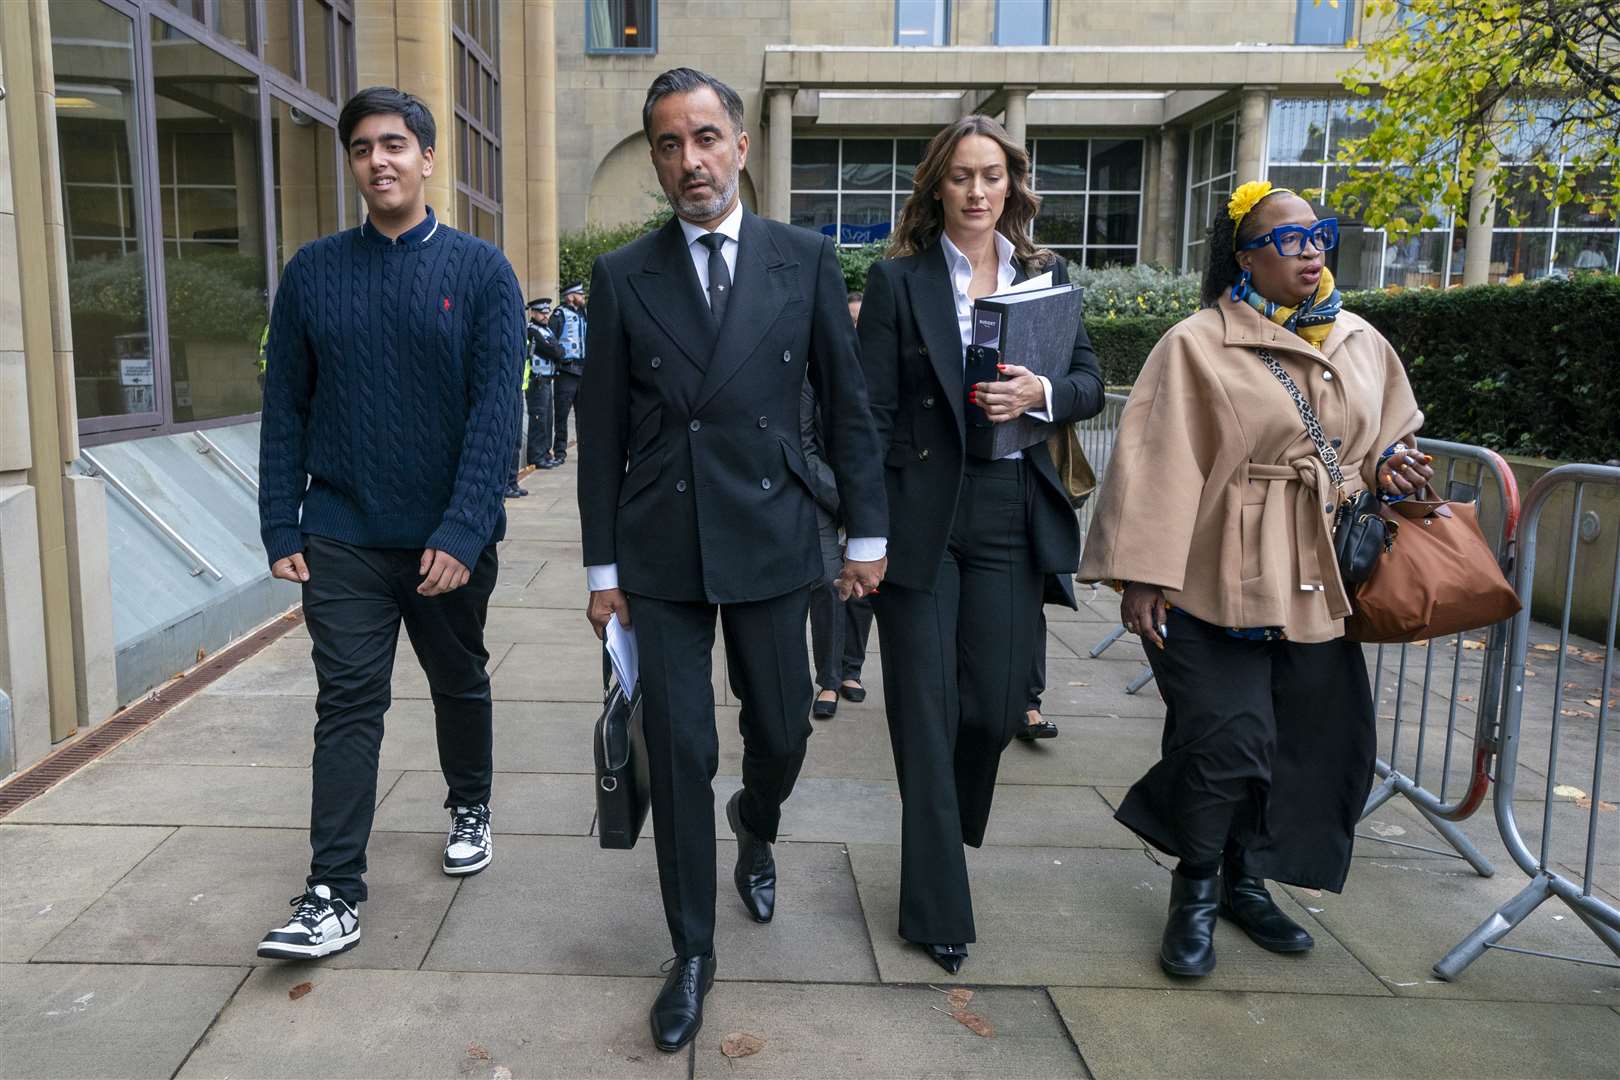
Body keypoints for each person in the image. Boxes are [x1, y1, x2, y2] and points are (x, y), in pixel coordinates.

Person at [576, 67, 888, 1052]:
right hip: (658, 546)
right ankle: (693, 951)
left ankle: (758, 821)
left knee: (784, 733)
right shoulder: (626, 275)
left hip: (771, 533)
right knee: (679, 751)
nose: (689, 161)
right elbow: (601, 430)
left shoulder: (804, 257)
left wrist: (868, 536)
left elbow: (848, 410)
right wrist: (599, 573)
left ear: (741, 146)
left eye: (705, 138)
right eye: (668, 144)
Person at [1078, 180, 1430, 978]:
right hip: (1212, 577)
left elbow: (1385, 435)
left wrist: (1392, 463)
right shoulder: (1197, 342)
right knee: (1228, 740)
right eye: (1287, 240)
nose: (1310, 251)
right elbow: (1159, 462)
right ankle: (1194, 891)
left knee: (1301, 745)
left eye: (1319, 236)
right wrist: (1142, 577)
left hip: (1318, 575)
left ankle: (1246, 881)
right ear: (1245, 258)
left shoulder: (1361, 341)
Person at [255, 86, 522, 961]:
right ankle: (333, 891)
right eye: (364, 147)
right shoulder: (312, 272)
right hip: (340, 531)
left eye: (396, 144)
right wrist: (279, 524)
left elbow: (495, 416)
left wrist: (463, 529)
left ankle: (470, 801)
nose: (379, 160)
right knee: (349, 703)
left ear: (429, 159)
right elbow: (283, 405)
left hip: (447, 538)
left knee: (459, 681)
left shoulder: (483, 273)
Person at [858, 115, 1105, 975]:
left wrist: (1042, 392)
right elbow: (871, 414)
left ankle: (944, 826)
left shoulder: (1048, 274)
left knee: (995, 709)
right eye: (960, 176)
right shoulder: (898, 283)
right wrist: (866, 532)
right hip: (922, 514)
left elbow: (1089, 383)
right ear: (937, 187)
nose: (975, 191)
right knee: (922, 719)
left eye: (990, 176)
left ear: (1012, 185)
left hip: (1009, 510)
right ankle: (936, 904)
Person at [547, 281, 587, 465]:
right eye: (580, 294)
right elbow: (549, 339)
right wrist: (560, 357)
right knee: (562, 414)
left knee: (585, 415)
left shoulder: (583, 315)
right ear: (571, 296)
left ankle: (585, 449)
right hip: (566, 371)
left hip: (583, 370)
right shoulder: (558, 314)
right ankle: (560, 450)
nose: (583, 297)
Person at [525, 298, 565, 468]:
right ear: (533, 313)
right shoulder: (532, 331)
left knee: (547, 419)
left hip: (547, 380)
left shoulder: (546, 330)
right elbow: (553, 351)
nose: (545, 315)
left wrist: (556, 349)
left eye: (546, 312)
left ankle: (545, 453)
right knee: (539, 419)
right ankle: (537, 456)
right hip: (537, 381)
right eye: (541, 313)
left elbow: (559, 350)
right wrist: (555, 349)